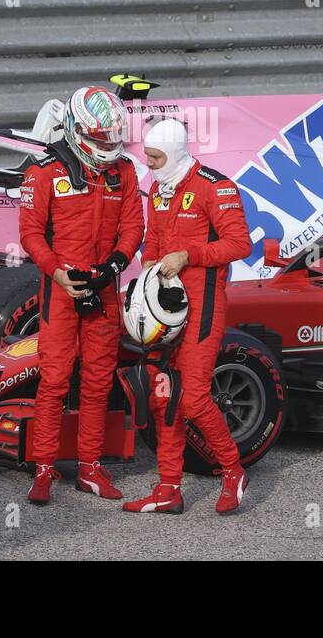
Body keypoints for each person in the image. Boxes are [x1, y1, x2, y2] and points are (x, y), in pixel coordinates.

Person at [18, 86, 144, 505]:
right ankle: (43, 467)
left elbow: (133, 227)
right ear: (75, 130)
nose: (108, 147)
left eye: (113, 139)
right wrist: (57, 273)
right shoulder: (43, 171)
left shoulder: (123, 171)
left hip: (105, 288)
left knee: (97, 380)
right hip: (59, 289)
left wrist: (114, 266)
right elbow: (30, 234)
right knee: (53, 380)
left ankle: (90, 466)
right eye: (100, 139)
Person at [123, 117, 253, 515]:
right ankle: (168, 488)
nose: (150, 162)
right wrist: (147, 277)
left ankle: (233, 471)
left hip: (205, 303)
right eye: (147, 155)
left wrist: (188, 256)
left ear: (178, 153)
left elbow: (240, 244)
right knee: (165, 397)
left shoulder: (216, 186)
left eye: (157, 156)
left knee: (193, 398)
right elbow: (154, 242)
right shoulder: (158, 188)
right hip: (164, 308)